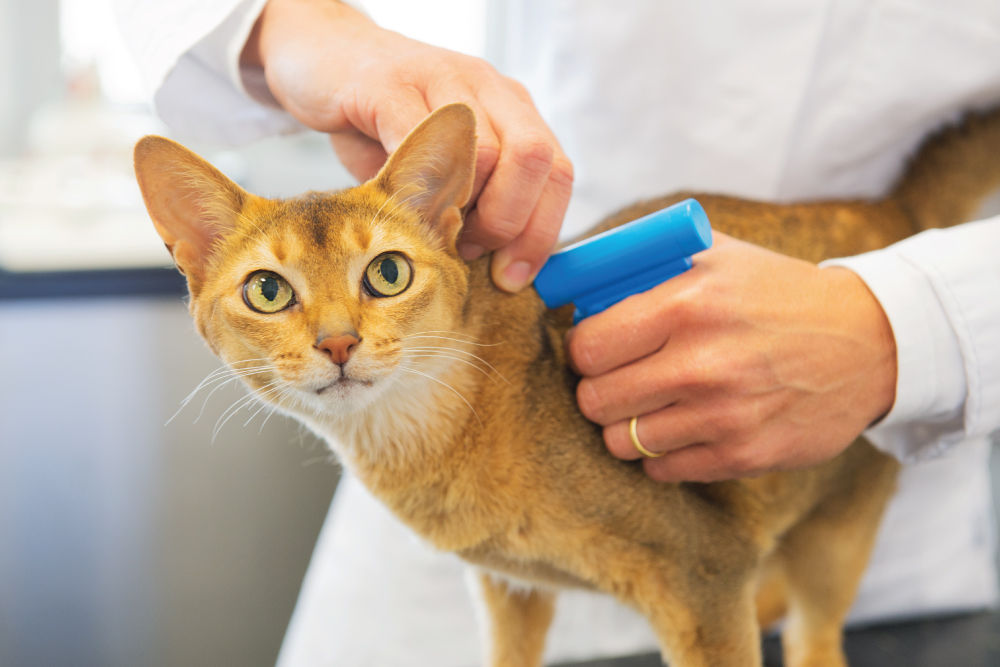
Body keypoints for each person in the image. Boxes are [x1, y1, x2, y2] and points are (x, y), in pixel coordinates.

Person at [115, 0, 1000, 664]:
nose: (336, 336)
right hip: (514, 285)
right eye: (272, 292)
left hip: (909, 347)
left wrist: (906, 324)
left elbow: (706, 561)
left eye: (378, 279)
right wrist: (295, 24)